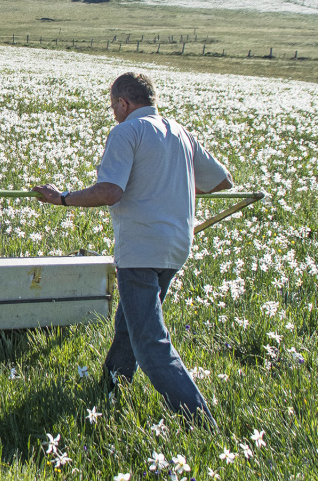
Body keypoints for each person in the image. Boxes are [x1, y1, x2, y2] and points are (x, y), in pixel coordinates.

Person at [32, 71, 233, 425]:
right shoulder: (179, 132)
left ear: (124, 103)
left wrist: (61, 199)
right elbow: (222, 181)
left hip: (142, 248)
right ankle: (112, 386)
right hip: (176, 246)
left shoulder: (127, 131)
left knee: (150, 341)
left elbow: (110, 191)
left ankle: (201, 422)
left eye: (114, 106)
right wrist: (172, 188)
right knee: (131, 324)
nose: (114, 113)